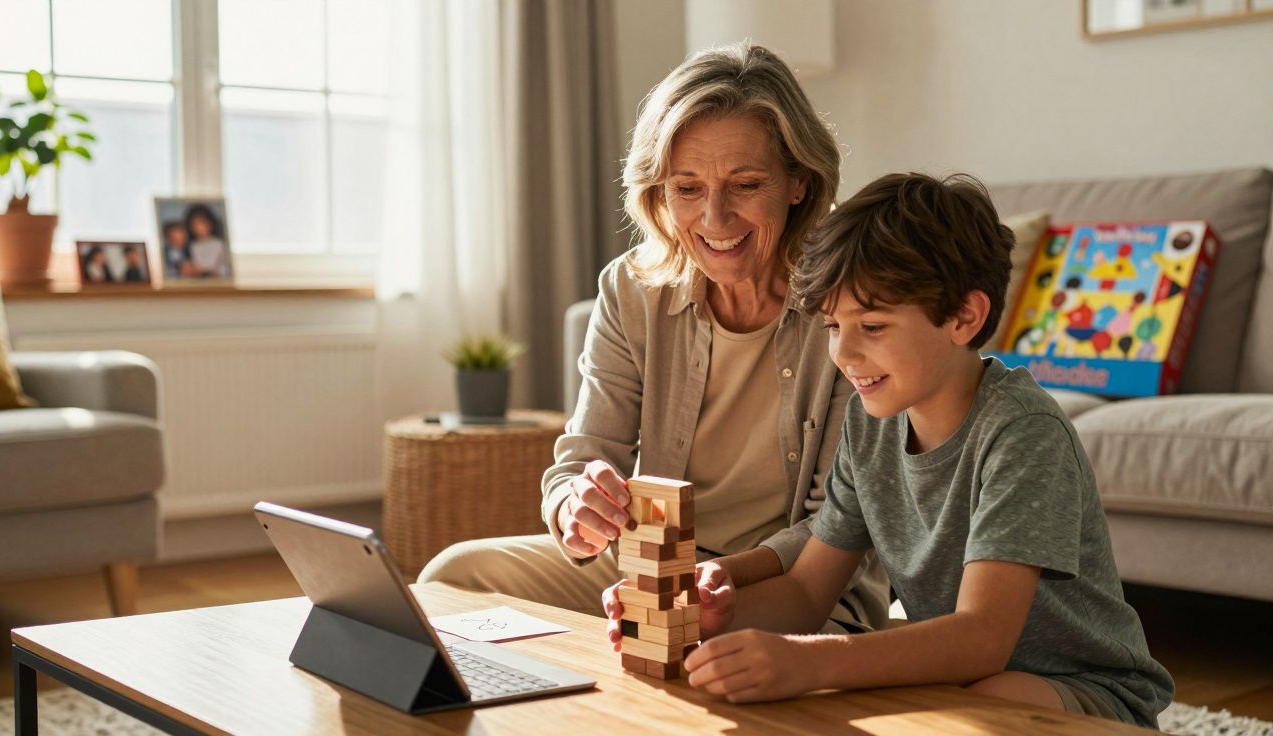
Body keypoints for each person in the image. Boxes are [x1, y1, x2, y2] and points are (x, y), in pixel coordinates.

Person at [627, 172, 1173, 728]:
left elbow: (981, 638)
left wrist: (808, 663)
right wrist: (702, 619)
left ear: (964, 317)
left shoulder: (1022, 432)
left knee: (986, 700)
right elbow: (806, 590)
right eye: (835, 326)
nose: (845, 353)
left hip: (1088, 692)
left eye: (872, 325)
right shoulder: (872, 425)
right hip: (965, 678)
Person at [419, 43, 890, 636]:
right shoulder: (631, 289)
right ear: (658, 191)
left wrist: (701, 586)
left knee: (698, 659)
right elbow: (582, 458)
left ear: (797, 181)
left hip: (784, 588)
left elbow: (835, 526)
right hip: (647, 566)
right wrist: (577, 509)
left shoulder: (851, 303)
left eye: (744, 184)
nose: (715, 220)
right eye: (687, 188)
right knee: (452, 576)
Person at [185, 204, 229, 279]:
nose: (198, 228)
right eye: (194, 225)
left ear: (210, 223)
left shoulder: (219, 244)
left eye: (202, 223)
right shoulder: (191, 246)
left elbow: (225, 267)